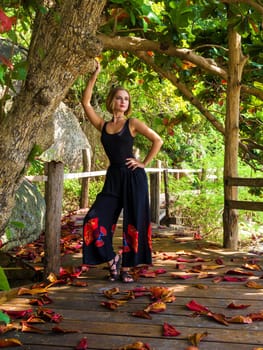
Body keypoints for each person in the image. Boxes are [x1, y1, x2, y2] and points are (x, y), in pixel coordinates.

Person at [81, 60, 163, 283]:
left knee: (133, 223)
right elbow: (86, 102)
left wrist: (144, 163)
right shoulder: (103, 125)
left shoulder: (133, 123)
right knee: (93, 219)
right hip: (113, 179)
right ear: (111, 101)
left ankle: (126, 268)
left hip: (133, 176)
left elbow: (157, 139)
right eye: (119, 98)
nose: (123, 102)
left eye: (126, 99)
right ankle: (112, 260)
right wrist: (95, 74)